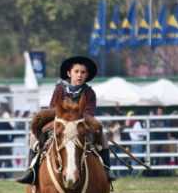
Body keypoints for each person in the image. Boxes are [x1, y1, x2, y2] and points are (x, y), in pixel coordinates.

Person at [17, 56, 117, 184]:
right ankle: (31, 170)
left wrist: (75, 117)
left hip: (81, 123)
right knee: (33, 137)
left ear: (87, 75)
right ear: (69, 73)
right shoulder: (59, 89)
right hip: (61, 122)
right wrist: (65, 116)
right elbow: (53, 107)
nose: (79, 75)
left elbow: (90, 113)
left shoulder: (89, 92)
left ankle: (107, 169)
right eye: (76, 71)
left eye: (83, 72)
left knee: (102, 137)